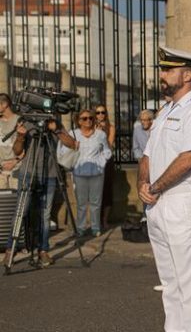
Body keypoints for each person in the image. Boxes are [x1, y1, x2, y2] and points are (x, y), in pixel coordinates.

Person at [139, 46, 191, 332]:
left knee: (189, 274)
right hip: (157, 202)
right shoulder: (164, 112)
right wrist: (143, 183)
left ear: (186, 75)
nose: (162, 75)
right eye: (163, 69)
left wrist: (154, 187)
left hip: (182, 200)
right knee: (169, 277)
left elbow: (188, 158)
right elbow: (147, 155)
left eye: (168, 70)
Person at [5, 117, 76, 266]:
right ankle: (10, 250)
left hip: (49, 174)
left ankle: (43, 250)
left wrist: (56, 130)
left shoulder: (54, 122)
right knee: (21, 212)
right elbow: (17, 150)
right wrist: (20, 136)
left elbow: (72, 144)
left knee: (45, 215)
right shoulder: (26, 121)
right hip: (28, 173)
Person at [59, 109, 112, 237]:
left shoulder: (100, 134)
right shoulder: (73, 134)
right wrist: (73, 147)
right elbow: (63, 150)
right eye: (84, 118)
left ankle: (95, 227)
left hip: (97, 173)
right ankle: (81, 227)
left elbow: (107, 151)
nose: (88, 120)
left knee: (96, 202)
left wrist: (102, 162)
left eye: (90, 118)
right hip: (79, 172)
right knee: (81, 203)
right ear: (78, 121)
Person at [94, 104, 116, 229]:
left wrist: (102, 133)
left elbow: (109, 145)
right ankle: (96, 220)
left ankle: (105, 220)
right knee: (96, 191)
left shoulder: (110, 127)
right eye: (98, 113)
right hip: (95, 161)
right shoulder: (91, 126)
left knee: (107, 190)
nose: (100, 115)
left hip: (107, 161)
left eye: (102, 112)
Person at [0, 94, 20, 189]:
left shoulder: (19, 120)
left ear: (4, 104)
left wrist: (15, 162)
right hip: (1, 172)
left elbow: (27, 146)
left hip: (17, 170)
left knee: (16, 197)